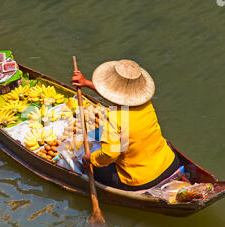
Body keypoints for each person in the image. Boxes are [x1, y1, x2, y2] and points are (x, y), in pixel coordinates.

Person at [71, 59, 180, 191]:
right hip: (170, 163)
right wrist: (87, 83)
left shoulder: (114, 117)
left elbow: (110, 154)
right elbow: (118, 97)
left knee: (91, 166)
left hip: (140, 180)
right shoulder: (146, 103)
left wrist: (90, 159)